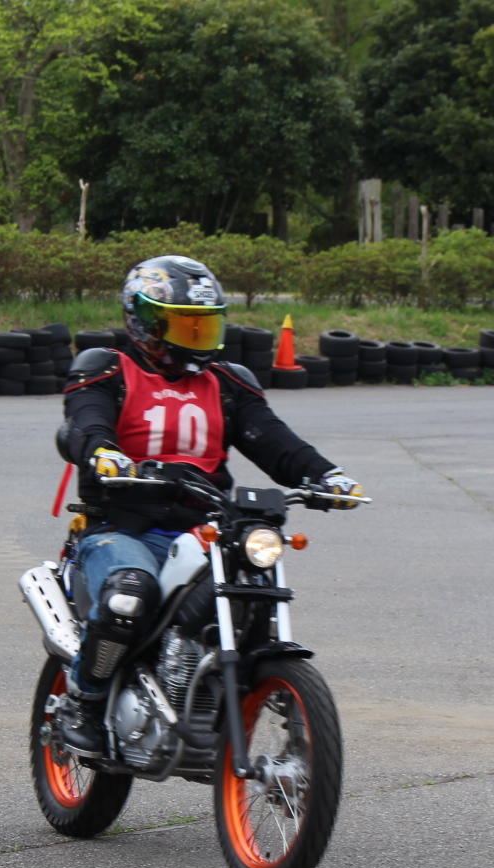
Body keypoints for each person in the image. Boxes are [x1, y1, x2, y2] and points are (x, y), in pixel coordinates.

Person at [53, 254, 363, 756]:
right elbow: (88, 423)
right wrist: (105, 453)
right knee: (128, 595)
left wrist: (325, 475)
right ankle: (84, 702)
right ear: (146, 320)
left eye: (205, 325)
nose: (197, 336)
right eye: (184, 325)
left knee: (252, 589)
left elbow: (273, 440)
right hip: (123, 527)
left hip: (205, 527)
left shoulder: (227, 381)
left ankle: (227, 693)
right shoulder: (107, 367)